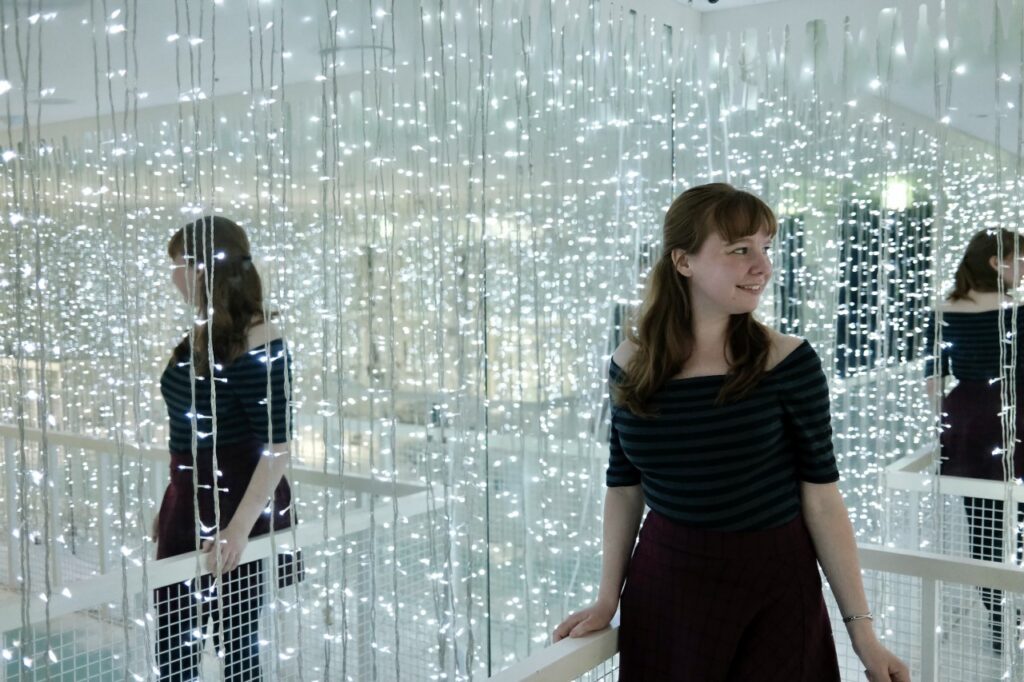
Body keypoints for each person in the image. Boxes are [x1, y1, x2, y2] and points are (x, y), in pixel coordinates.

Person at [553, 184, 910, 681]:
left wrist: (862, 634)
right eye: (740, 249)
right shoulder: (629, 364)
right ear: (684, 261)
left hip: (773, 581)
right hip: (666, 582)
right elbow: (624, 486)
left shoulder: (787, 362)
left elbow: (822, 498)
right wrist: (606, 598)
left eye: (765, 247)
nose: (762, 266)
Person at [153, 216, 296, 681]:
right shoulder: (203, 332)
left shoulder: (260, 340)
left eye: (178, 264)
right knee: (175, 640)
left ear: (203, 268)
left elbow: (277, 446)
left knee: (236, 643)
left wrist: (238, 529)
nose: (173, 276)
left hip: (233, 501)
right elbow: (186, 431)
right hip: (189, 496)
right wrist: (173, 503)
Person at [924, 227, 1024, 653]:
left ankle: (999, 623)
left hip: (966, 421)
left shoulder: (943, 310)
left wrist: (948, 425)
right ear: (996, 262)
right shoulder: (1017, 312)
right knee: (1019, 521)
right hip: (1015, 416)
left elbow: (934, 380)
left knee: (982, 526)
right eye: (1020, 260)